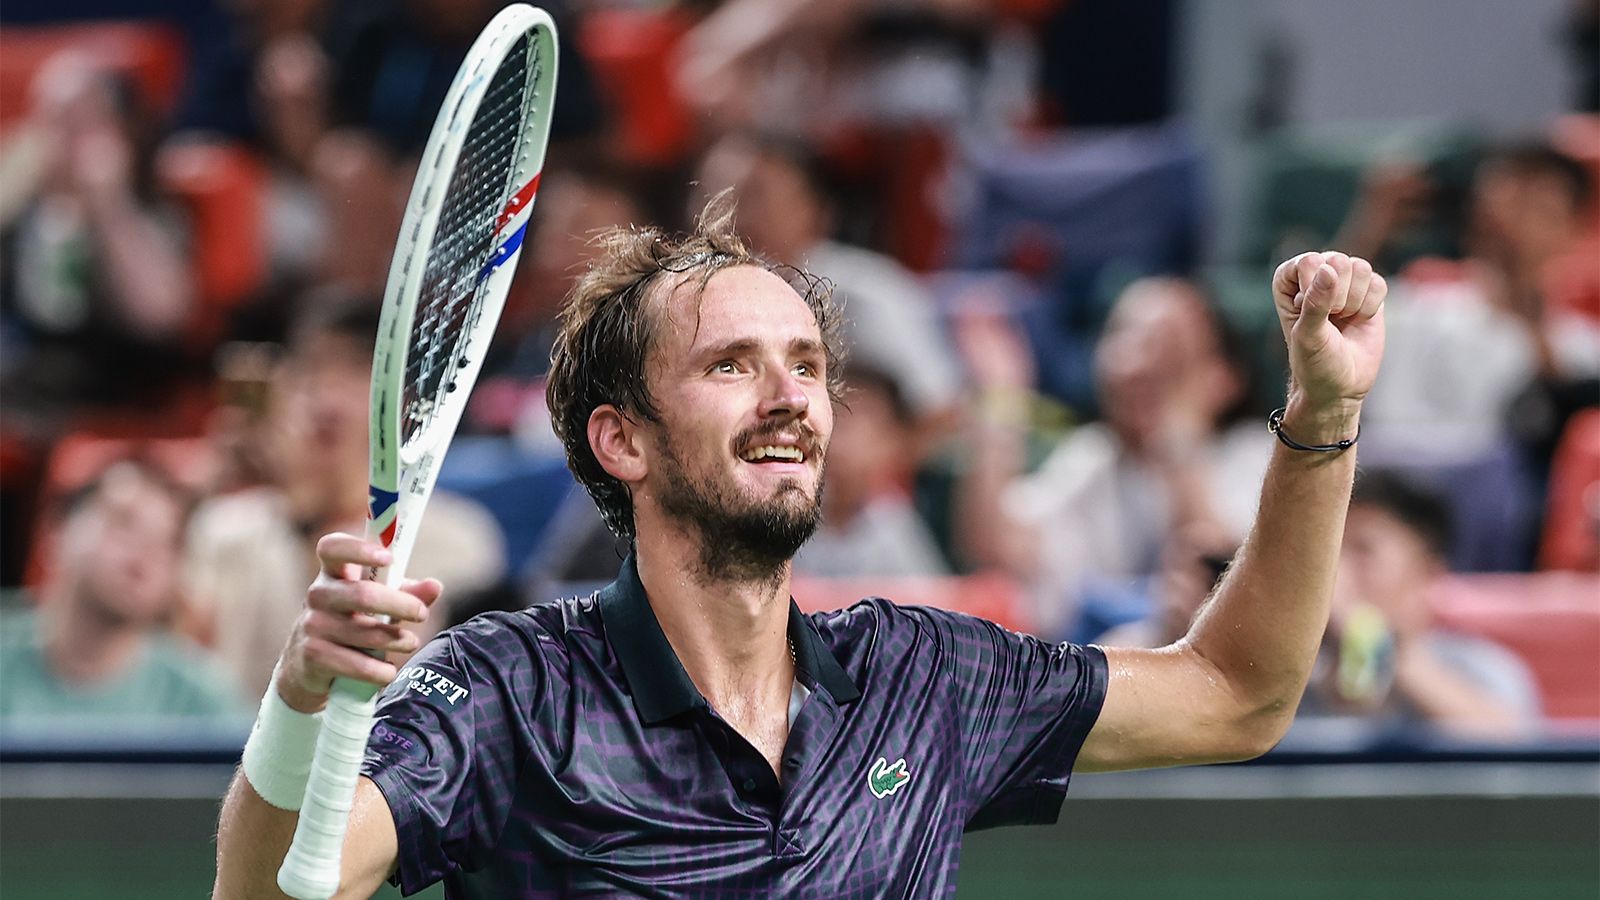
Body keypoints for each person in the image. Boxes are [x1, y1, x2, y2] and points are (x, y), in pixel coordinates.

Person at [215, 193, 1387, 897]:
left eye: (808, 366)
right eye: (732, 365)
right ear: (621, 440)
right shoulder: (508, 690)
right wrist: (305, 697)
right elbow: (278, 892)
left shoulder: (919, 679)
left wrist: (1321, 417)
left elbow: (1236, 695)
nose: (790, 398)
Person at [184, 297, 507, 699]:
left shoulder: (458, 538)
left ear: (404, 406)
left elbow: (406, 688)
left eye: (355, 372)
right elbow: (184, 677)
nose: (327, 398)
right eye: (312, 370)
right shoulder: (222, 528)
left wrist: (305, 514)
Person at [956, 276, 1271, 640]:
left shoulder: (1252, 454)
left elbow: (1218, 572)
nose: (1134, 363)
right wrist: (1001, 399)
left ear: (1225, 379)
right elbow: (997, 546)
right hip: (1097, 662)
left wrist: (1179, 431)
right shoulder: (1094, 457)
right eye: (1123, 336)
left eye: (1167, 351)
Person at [0, 459, 241, 729]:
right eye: (124, 522)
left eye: (168, 543)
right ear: (56, 531)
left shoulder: (202, 703)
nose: (145, 553)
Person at [1301, 471, 1541, 739]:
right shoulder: (1289, 680)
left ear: (1428, 571)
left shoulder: (1485, 670)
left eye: (1362, 550)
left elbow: (1514, 747)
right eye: (1330, 550)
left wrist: (1372, 640)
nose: (1336, 571)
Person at [792, 364, 952, 578]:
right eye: (839, 418)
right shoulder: (792, 509)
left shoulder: (895, 527)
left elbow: (929, 594)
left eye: (864, 425)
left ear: (894, 444)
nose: (843, 440)